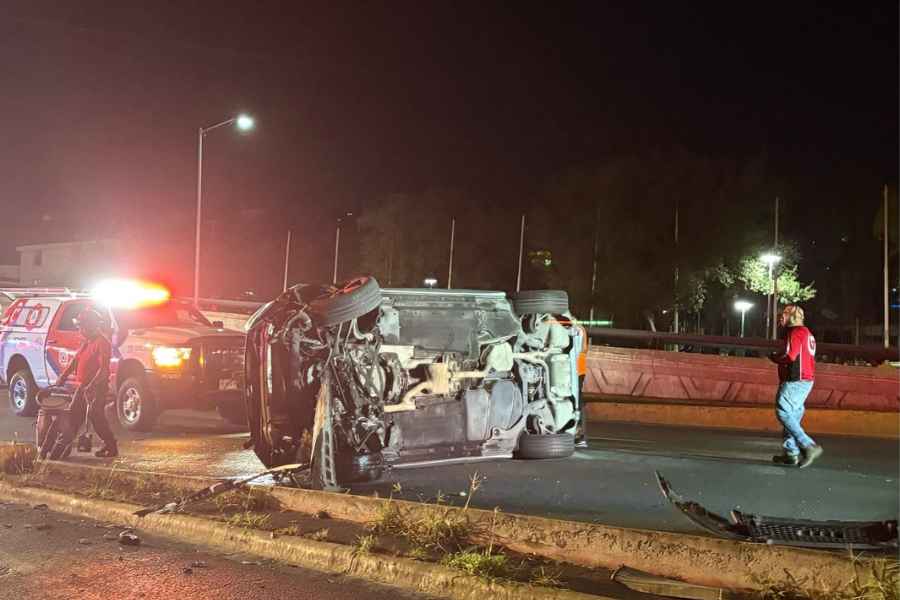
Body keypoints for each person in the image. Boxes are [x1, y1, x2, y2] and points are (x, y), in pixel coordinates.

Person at [55, 308, 118, 457]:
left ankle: (111, 446)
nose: (80, 330)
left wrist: (92, 386)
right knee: (73, 415)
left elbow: (103, 369)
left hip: (97, 388)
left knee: (96, 416)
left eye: (82, 326)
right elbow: (75, 362)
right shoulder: (87, 342)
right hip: (84, 387)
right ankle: (64, 446)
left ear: (91, 325)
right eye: (79, 326)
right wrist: (63, 377)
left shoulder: (102, 343)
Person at [768, 304, 822, 468]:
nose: (781, 316)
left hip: (795, 380)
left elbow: (790, 356)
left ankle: (808, 445)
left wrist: (775, 358)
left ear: (793, 317)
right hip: (806, 380)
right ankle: (791, 453)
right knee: (792, 417)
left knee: (782, 410)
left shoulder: (795, 332)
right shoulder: (806, 332)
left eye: (784, 313)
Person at [574, 324, 589, 448]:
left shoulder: (578, 328)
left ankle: (580, 435)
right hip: (578, 368)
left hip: (577, 368)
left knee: (577, 399)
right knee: (578, 398)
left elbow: (583, 349)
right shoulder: (579, 328)